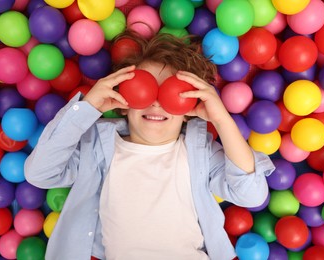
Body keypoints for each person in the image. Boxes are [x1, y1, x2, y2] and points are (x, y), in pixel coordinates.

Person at [24, 30, 275, 260]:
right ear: (123, 101)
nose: (156, 103)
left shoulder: (200, 153)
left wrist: (221, 120)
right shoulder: (97, 149)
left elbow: (251, 194)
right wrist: (87, 108)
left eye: (171, 93)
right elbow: (41, 173)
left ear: (189, 108)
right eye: (143, 90)